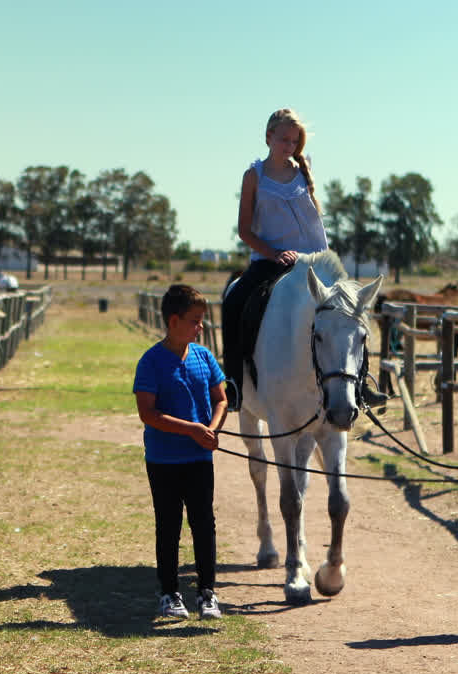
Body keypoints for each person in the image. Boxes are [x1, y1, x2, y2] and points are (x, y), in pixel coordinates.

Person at [221, 108, 330, 411]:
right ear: (268, 137)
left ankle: (359, 385)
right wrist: (275, 254)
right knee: (232, 302)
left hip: (313, 262)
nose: (289, 146)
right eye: (284, 139)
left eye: (294, 141)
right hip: (269, 262)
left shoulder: (303, 169)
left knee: (349, 310)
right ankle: (234, 385)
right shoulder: (253, 176)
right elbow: (244, 231)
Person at [133, 284, 228, 619]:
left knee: (204, 524)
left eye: (202, 320)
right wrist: (192, 430)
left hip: (200, 458)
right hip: (164, 461)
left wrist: (212, 429)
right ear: (174, 321)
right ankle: (170, 593)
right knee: (169, 525)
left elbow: (221, 399)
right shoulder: (151, 362)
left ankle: (207, 592)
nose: (201, 326)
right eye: (195, 320)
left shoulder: (204, 357)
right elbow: (148, 414)